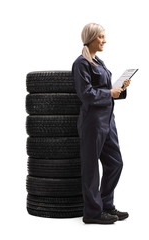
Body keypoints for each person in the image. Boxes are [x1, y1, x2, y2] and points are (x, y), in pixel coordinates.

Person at [71, 23, 131, 224]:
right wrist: (109, 93)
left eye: (104, 37)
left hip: (108, 120)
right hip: (92, 122)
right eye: (101, 37)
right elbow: (86, 94)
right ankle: (93, 213)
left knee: (115, 163)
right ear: (91, 38)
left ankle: (106, 204)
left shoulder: (100, 62)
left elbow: (107, 91)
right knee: (91, 167)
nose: (104, 40)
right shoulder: (81, 64)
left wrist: (119, 89)